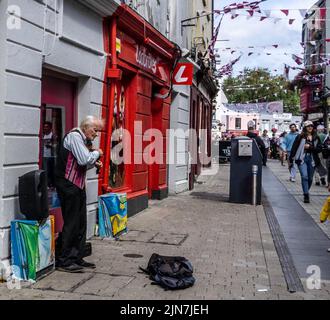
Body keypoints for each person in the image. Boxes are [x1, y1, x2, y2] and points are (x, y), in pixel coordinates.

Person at [55, 116, 104, 273]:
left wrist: (93, 163)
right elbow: (83, 159)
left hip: (77, 184)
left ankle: (77, 257)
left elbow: (81, 165)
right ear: (86, 127)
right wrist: (97, 153)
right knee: (72, 222)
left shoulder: (83, 140)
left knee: (81, 222)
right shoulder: (75, 136)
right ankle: (64, 260)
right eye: (95, 130)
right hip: (68, 185)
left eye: (98, 131)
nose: (96, 134)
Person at [289, 121, 322, 203]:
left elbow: (319, 149)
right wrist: (291, 159)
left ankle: (306, 190)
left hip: (312, 159)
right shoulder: (300, 137)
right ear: (305, 128)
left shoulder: (316, 137)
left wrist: (310, 147)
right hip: (302, 158)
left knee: (310, 178)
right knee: (304, 176)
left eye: (311, 126)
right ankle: (306, 194)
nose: (310, 127)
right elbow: (294, 147)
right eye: (308, 126)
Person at [42, 121, 58, 188]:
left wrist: (49, 145)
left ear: (50, 128)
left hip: (52, 156)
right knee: (45, 171)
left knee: (52, 171)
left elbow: (56, 145)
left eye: (47, 127)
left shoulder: (53, 135)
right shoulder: (43, 135)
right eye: (44, 127)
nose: (45, 128)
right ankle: (47, 185)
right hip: (44, 156)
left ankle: (53, 185)